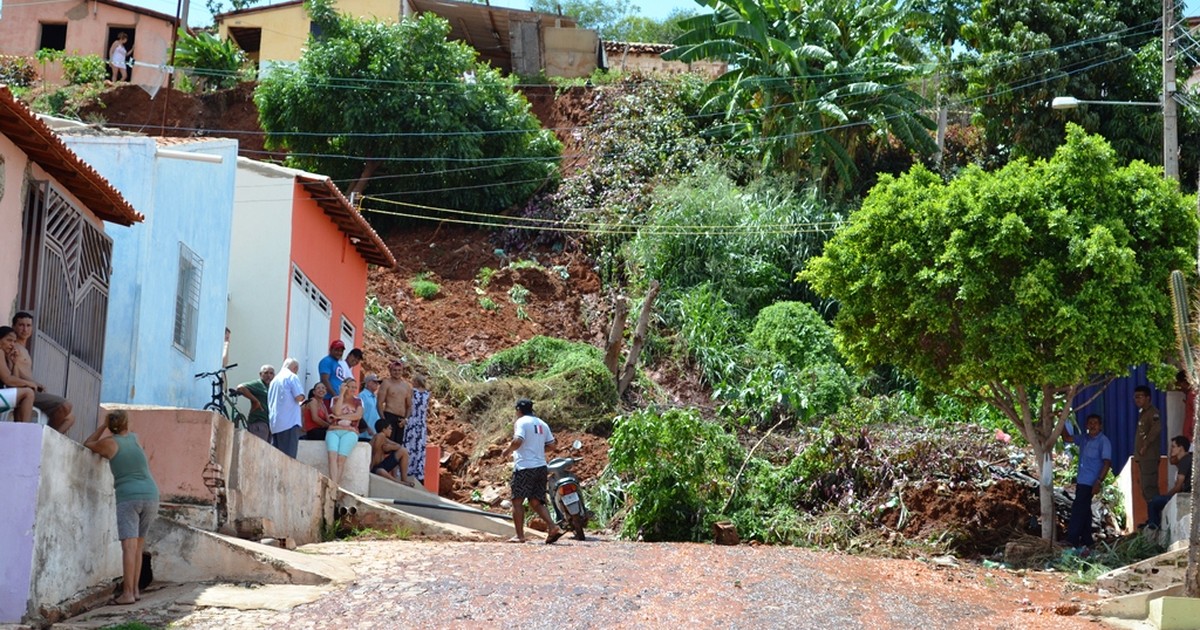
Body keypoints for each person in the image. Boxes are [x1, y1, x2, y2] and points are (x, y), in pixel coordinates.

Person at [85, 409, 159, 605]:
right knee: (138, 546)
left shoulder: (108, 443)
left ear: (111, 426)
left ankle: (127, 594)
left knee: (128, 547)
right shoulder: (135, 438)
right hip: (151, 494)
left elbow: (87, 444)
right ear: (127, 424)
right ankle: (134, 591)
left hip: (129, 497)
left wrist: (102, 427)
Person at [501, 398, 563, 544]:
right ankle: (553, 527)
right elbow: (552, 445)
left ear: (518, 410)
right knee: (536, 501)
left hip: (524, 467)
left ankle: (520, 536)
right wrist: (536, 449)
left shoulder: (521, 422)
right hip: (541, 467)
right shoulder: (542, 423)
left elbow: (517, 441)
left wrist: (507, 451)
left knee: (517, 500)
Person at [2, 318, 74, 433]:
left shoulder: (18, 351)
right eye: (21, 325)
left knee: (70, 418)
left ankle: (45, 439)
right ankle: (30, 434)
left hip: (24, 389)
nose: (25, 329)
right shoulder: (7, 350)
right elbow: (8, 379)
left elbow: (13, 373)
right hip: (20, 390)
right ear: (14, 326)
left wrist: (15, 365)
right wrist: (30, 383)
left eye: (28, 325)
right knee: (64, 405)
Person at [1062, 413, 1112, 549]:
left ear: (1100, 426)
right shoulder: (1084, 439)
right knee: (1084, 510)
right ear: (1086, 425)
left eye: (1095, 423)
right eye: (1090, 423)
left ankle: (1072, 539)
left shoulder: (1103, 441)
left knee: (1078, 509)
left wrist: (1099, 481)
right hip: (1081, 480)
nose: (1092, 425)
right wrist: (1061, 421)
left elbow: (1107, 463)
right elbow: (1067, 438)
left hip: (1091, 482)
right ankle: (1087, 540)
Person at [1142, 436, 1193, 531]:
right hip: (1188, 494)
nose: (1171, 450)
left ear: (1180, 448)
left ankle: (1153, 528)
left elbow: (1178, 487)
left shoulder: (1185, 460)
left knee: (1154, 501)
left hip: (1187, 496)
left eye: (1173, 447)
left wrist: (1166, 496)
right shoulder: (1189, 459)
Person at [326, 377, 362, 489]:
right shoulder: (335, 399)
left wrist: (338, 417)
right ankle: (334, 486)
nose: (353, 389)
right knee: (332, 456)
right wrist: (341, 394)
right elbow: (336, 411)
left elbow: (357, 416)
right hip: (334, 430)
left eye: (355, 387)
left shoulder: (358, 401)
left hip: (350, 431)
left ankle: (334, 487)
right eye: (350, 387)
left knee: (341, 459)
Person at [267, 358, 305, 458]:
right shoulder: (292, 376)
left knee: (277, 458)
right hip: (289, 423)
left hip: (275, 425)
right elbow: (299, 396)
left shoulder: (274, 380)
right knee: (289, 459)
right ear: (295, 368)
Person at [1134, 385, 1162, 509]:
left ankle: (1155, 519)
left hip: (1149, 456)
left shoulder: (1153, 413)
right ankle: (1152, 517)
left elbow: (1156, 430)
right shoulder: (1142, 413)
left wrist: (1145, 445)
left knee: (1150, 487)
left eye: (1140, 397)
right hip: (1143, 457)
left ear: (1148, 398)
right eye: (1135, 397)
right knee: (1146, 488)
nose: (1137, 400)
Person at [235, 365, 275, 442]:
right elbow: (240, 387)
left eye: (271, 373)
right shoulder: (258, 384)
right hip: (259, 423)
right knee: (259, 451)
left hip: (268, 424)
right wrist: (256, 401)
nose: (268, 375)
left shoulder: (271, 386)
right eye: (266, 373)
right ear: (260, 374)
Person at [377, 359, 412, 445]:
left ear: (402, 371)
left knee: (398, 446)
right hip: (389, 416)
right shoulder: (386, 383)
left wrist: (406, 419)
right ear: (390, 371)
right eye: (394, 370)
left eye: (399, 370)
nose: (397, 372)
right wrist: (383, 419)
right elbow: (379, 403)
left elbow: (409, 406)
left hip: (401, 420)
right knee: (387, 445)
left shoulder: (406, 386)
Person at [405, 373, 430, 484]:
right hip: (421, 423)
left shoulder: (411, 392)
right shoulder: (427, 394)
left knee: (408, 446)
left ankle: (406, 471)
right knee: (419, 448)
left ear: (416, 382)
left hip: (411, 421)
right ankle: (418, 472)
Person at [370, 418, 412, 484]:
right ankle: (400, 482)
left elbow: (398, 446)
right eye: (390, 428)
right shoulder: (380, 435)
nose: (391, 431)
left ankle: (404, 479)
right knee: (381, 471)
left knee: (403, 451)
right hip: (375, 468)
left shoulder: (385, 438)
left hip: (382, 465)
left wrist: (391, 447)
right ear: (384, 429)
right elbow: (374, 455)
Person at [358, 373, 382, 441]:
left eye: (377, 382)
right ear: (368, 383)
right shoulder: (362, 396)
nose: (377, 384)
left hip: (374, 433)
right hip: (364, 434)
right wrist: (367, 427)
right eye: (374, 382)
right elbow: (359, 414)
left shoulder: (375, 397)